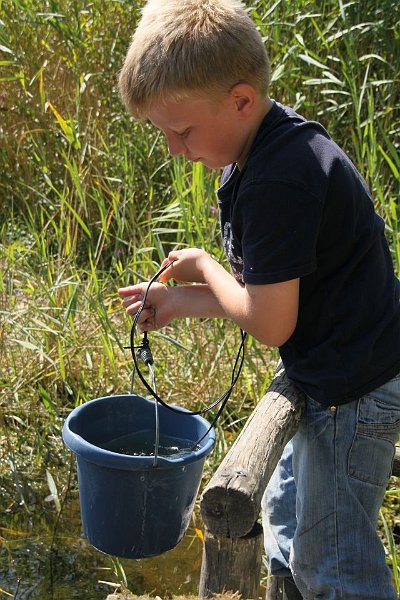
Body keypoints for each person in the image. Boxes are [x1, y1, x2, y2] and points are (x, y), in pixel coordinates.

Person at [117, 1, 400, 598]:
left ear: (240, 100)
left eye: (182, 130)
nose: (172, 147)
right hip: (330, 370)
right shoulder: (264, 148)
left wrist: (204, 265)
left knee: (335, 565)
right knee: (286, 520)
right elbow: (273, 292)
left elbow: (270, 323)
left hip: (351, 392)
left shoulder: (279, 179)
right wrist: (179, 301)